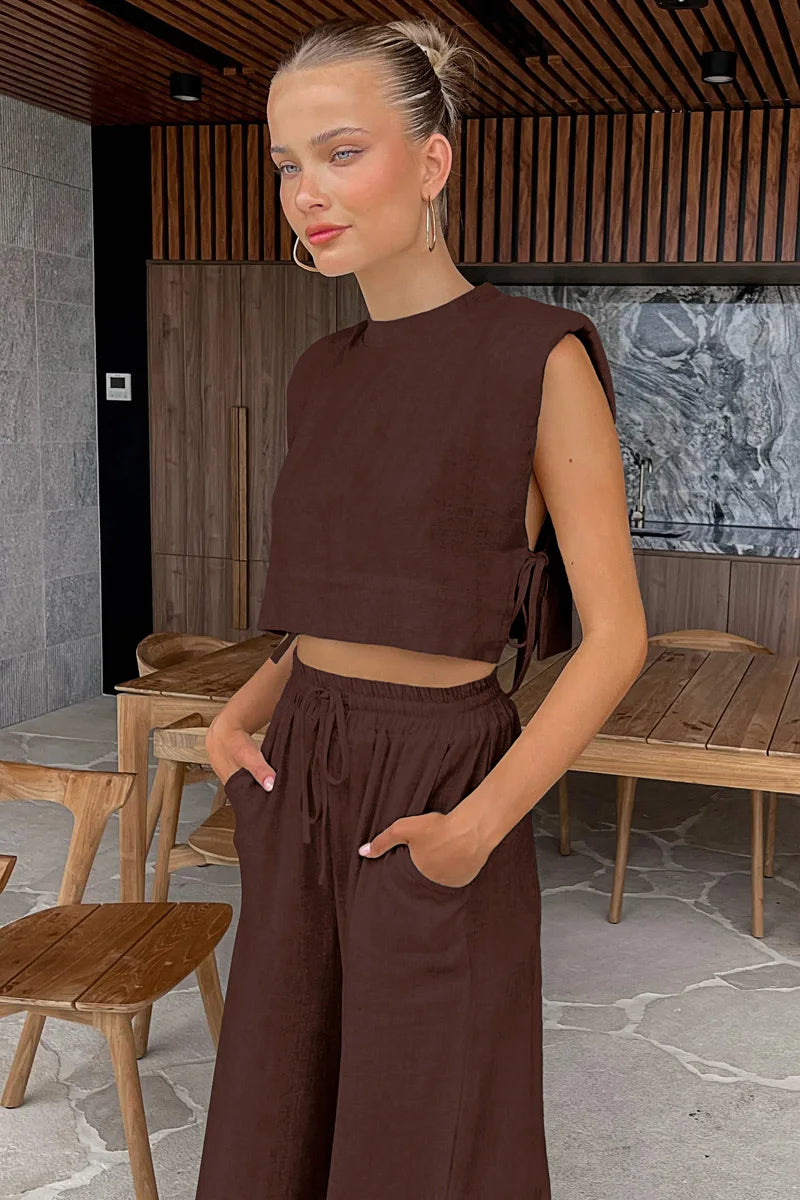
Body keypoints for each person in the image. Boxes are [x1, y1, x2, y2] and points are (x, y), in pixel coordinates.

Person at [194, 15, 648, 1200]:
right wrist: (236, 716)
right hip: (301, 757)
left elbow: (616, 638)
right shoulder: (321, 372)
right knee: (280, 1095)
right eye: (286, 164)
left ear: (433, 160)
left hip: (440, 774)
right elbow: (335, 606)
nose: (305, 193)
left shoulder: (535, 356)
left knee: (425, 1119)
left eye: (341, 153)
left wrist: (475, 828)